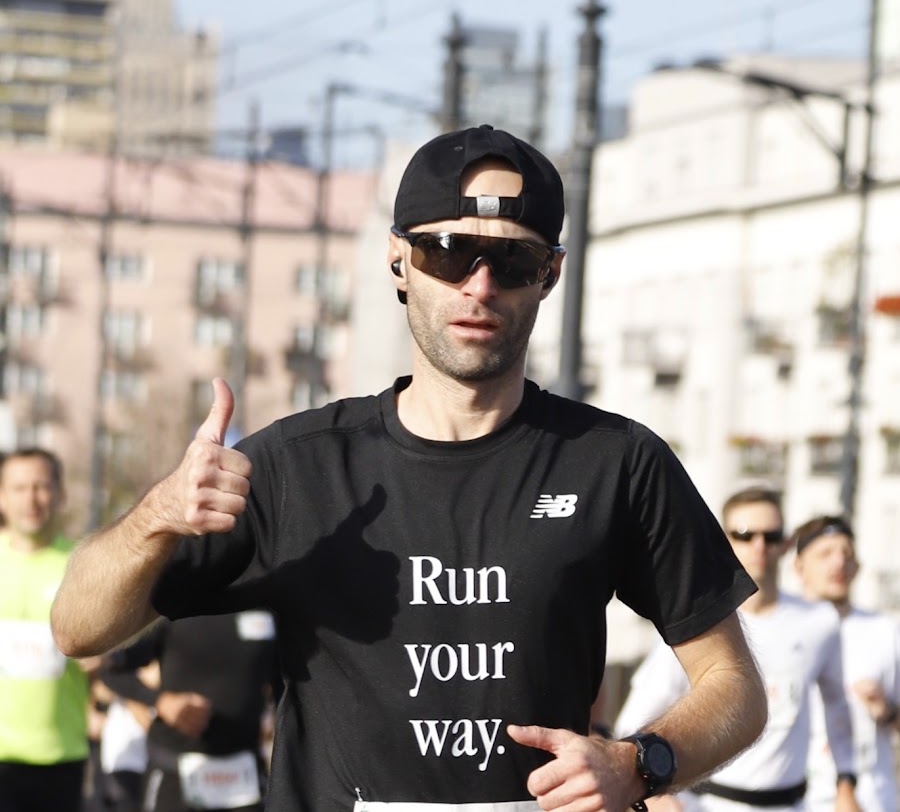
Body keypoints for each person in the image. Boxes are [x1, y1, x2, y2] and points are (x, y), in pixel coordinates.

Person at [51, 124, 768, 811]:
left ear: (550, 274)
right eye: (449, 253)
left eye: (513, 262)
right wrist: (155, 519)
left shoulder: (615, 462)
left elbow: (734, 685)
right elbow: (77, 628)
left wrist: (637, 763)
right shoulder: (298, 466)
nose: (479, 286)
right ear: (399, 259)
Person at [614, 486, 860, 812]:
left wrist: (846, 782)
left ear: (786, 544)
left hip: (791, 803)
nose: (759, 546)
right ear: (724, 539)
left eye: (771, 536)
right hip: (708, 804)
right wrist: (657, 792)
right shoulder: (699, 622)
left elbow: (838, 707)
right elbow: (634, 718)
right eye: (744, 535)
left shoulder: (820, 621)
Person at [98, 610, 279, 812]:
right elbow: (110, 670)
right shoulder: (174, 605)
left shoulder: (266, 602)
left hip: (243, 773)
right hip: (174, 769)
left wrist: (278, 717)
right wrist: (161, 701)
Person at [0, 448, 92, 812]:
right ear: (2, 496)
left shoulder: (83, 565)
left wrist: (101, 654)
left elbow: (109, 651)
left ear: (60, 494)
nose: (31, 499)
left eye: (41, 486)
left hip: (60, 755)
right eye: (19, 488)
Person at [794, 515, 900, 812]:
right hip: (798, 801)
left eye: (847, 553)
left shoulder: (885, 630)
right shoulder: (782, 629)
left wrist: (887, 711)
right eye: (825, 553)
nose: (839, 562)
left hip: (873, 799)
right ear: (799, 567)